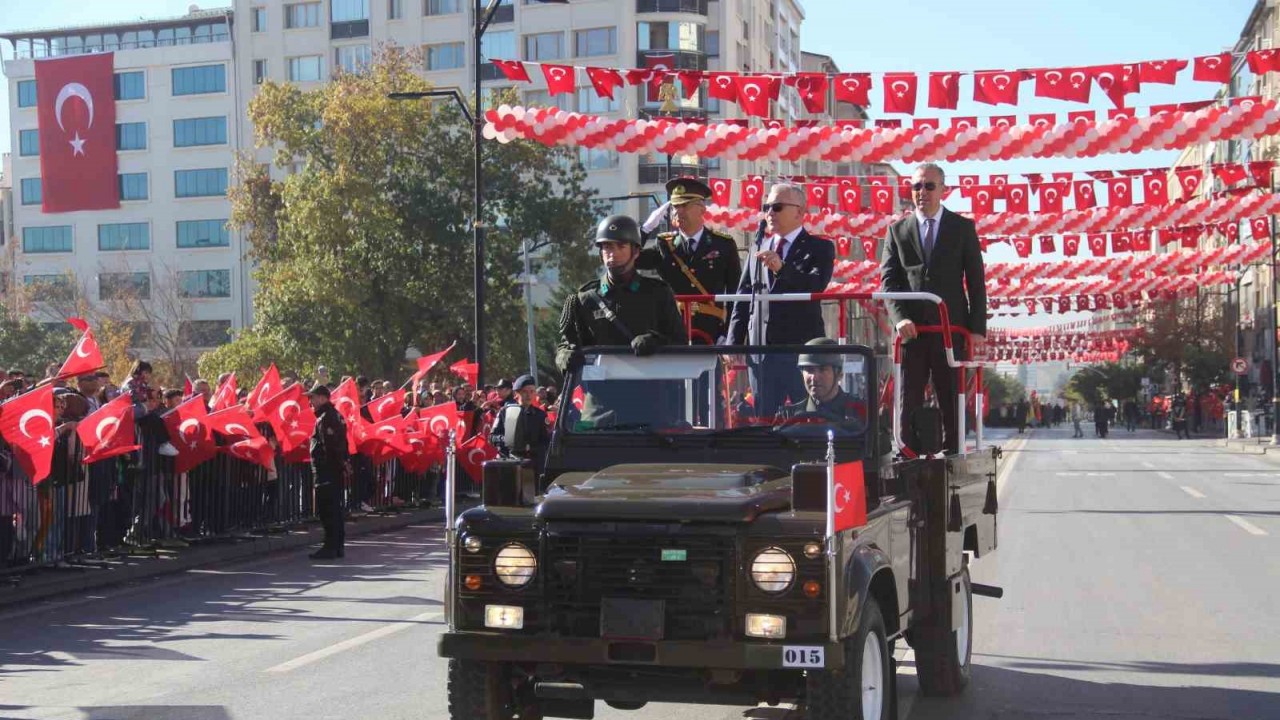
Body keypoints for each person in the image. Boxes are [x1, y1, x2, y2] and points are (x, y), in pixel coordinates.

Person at [881, 163, 987, 455]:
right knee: (907, 401)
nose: (922, 193)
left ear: (943, 190)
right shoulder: (897, 231)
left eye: (929, 186)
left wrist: (977, 330)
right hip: (912, 334)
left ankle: (954, 459)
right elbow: (888, 283)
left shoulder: (962, 228)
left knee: (952, 399)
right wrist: (900, 319)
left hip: (950, 330)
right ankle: (909, 458)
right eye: (916, 186)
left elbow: (976, 283)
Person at [725, 182, 835, 417]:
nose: (770, 213)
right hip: (762, 349)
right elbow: (743, 295)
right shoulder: (759, 247)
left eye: (777, 207)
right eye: (767, 207)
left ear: (799, 212)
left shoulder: (820, 247)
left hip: (800, 349)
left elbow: (816, 285)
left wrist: (782, 268)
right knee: (764, 420)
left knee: (806, 417)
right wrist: (734, 340)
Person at [556, 214, 687, 374]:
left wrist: (657, 342)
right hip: (602, 391)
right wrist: (563, 356)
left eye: (621, 246)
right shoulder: (585, 298)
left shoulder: (657, 293)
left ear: (636, 252)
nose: (613, 253)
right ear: (600, 253)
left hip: (649, 387)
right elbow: (568, 344)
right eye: (607, 247)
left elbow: (680, 342)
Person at [638, 177, 743, 345]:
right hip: (673, 332)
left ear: (702, 208)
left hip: (711, 333)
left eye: (684, 205)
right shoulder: (665, 245)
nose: (678, 211)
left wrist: (728, 334)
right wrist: (644, 231)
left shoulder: (723, 244)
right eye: (674, 206)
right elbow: (630, 260)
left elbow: (736, 294)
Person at [776, 338, 866, 429]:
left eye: (822, 369)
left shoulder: (861, 412)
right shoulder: (788, 417)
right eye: (809, 369)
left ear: (839, 374)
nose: (814, 377)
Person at [307, 382, 349, 560]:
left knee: (328, 510)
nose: (311, 401)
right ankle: (336, 545)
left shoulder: (326, 418)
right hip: (332, 470)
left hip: (327, 471)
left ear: (323, 398)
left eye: (313, 397)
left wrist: (332, 467)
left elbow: (331, 447)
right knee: (334, 509)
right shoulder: (333, 415)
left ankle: (330, 546)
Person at [490, 375, 550, 469]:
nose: (529, 395)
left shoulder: (540, 415)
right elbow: (492, 437)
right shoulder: (505, 412)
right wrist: (508, 440)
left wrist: (530, 448)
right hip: (509, 462)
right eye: (525, 392)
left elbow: (546, 441)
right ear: (516, 393)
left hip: (533, 464)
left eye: (532, 391)